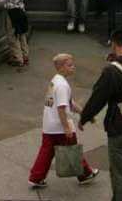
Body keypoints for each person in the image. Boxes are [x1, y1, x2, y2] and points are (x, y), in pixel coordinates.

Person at [79, 30, 122, 201]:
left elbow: (98, 97)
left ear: (113, 44)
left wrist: (84, 117)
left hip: (119, 126)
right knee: (120, 168)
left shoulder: (111, 71)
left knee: (120, 172)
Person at [28, 53, 99, 188]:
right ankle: (85, 174)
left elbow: (71, 103)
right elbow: (62, 108)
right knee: (72, 147)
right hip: (60, 126)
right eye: (70, 65)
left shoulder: (55, 81)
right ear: (60, 67)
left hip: (49, 124)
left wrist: (86, 115)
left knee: (46, 152)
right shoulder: (62, 86)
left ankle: (36, 177)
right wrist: (66, 127)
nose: (73, 67)